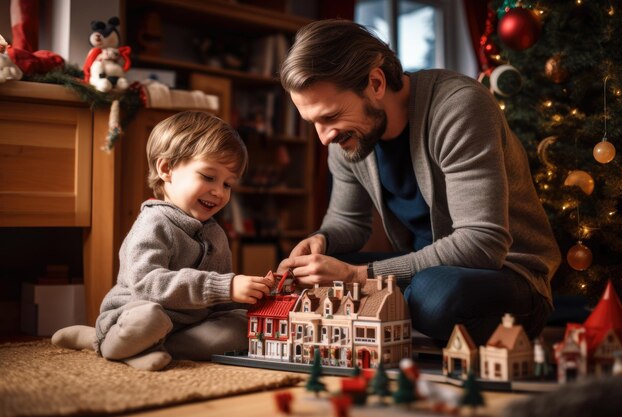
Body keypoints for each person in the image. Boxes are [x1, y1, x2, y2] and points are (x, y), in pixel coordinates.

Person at [277, 19, 561, 345]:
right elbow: (348, 222)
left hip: (507, 274)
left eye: (329, 116)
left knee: (434, 297)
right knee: (309, 278)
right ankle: (389, 312)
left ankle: (390, 313)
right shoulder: (348, 138)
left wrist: (360, 277)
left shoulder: (458, 106)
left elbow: (482, 243)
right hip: (424, 271)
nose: (324, 137)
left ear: (376, 83)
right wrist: (321, 241)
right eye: (313, 122)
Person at [52, 111, 274, 371]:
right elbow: (147, 284)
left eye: (228, 184)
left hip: (190, 325)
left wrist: (253, 295)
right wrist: (224, 286)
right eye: (209, 177)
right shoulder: (153, 223)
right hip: (138, 313)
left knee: (243, 327)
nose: (219, 191)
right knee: (149, 320)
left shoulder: (216, 234)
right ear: (166, 169)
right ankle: (100, 339)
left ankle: (147, 348)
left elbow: (220, 299)